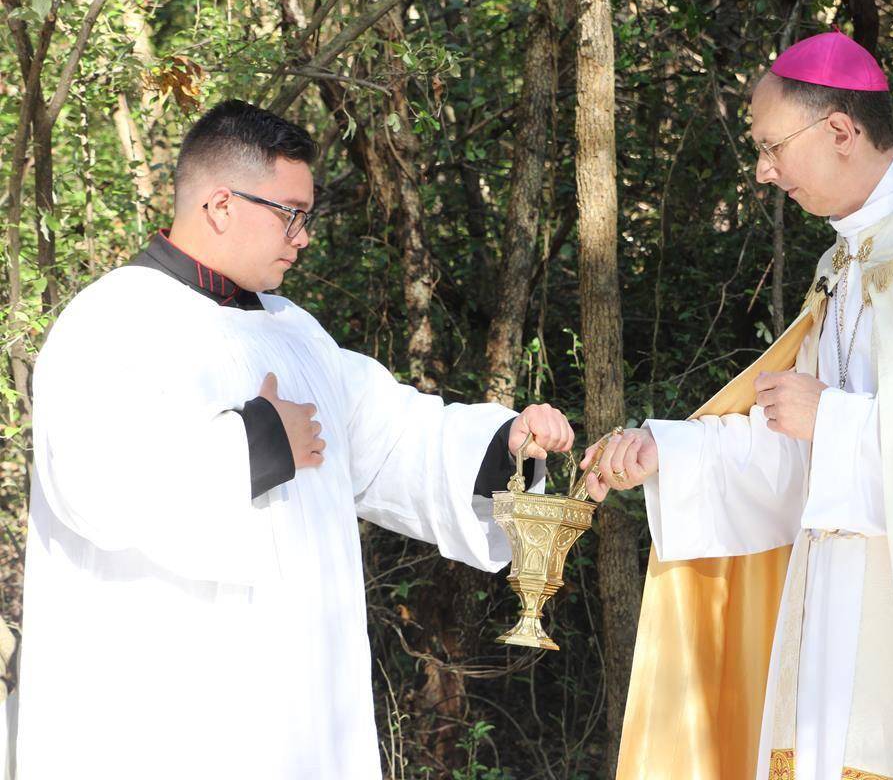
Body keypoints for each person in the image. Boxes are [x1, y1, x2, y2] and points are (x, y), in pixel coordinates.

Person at [584, 31, 893, 780]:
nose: (763, 171)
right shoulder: (843, 263)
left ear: (840, 131)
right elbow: (796, 451)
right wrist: (674, 451)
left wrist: (837, 422)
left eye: (770, 146)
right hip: (828, 619)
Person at [12, 99, 574, 779]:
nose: (303, 236)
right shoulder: (112, 322)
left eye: (307, 215)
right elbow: (93, 484)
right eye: (290, 213)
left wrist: (504, 446)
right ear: (220, 204)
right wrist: (258, 442)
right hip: (170, 716)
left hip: (301, 715)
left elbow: (397, 441)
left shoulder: (294, 331)